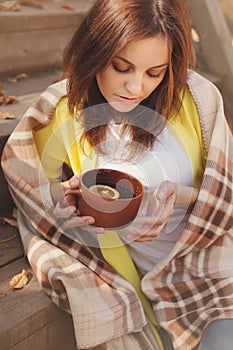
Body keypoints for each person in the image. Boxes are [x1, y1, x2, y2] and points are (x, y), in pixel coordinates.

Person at [2, 0, 233, 349]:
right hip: (131, 285)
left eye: (154, 72)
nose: (136, 87)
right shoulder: (66, 110)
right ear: (96, 51)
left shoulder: (196, 100)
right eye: (122, 67)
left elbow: (225, 193)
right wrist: (64, 201)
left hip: (208, 270)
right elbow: (35, 180)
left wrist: (177, 197)